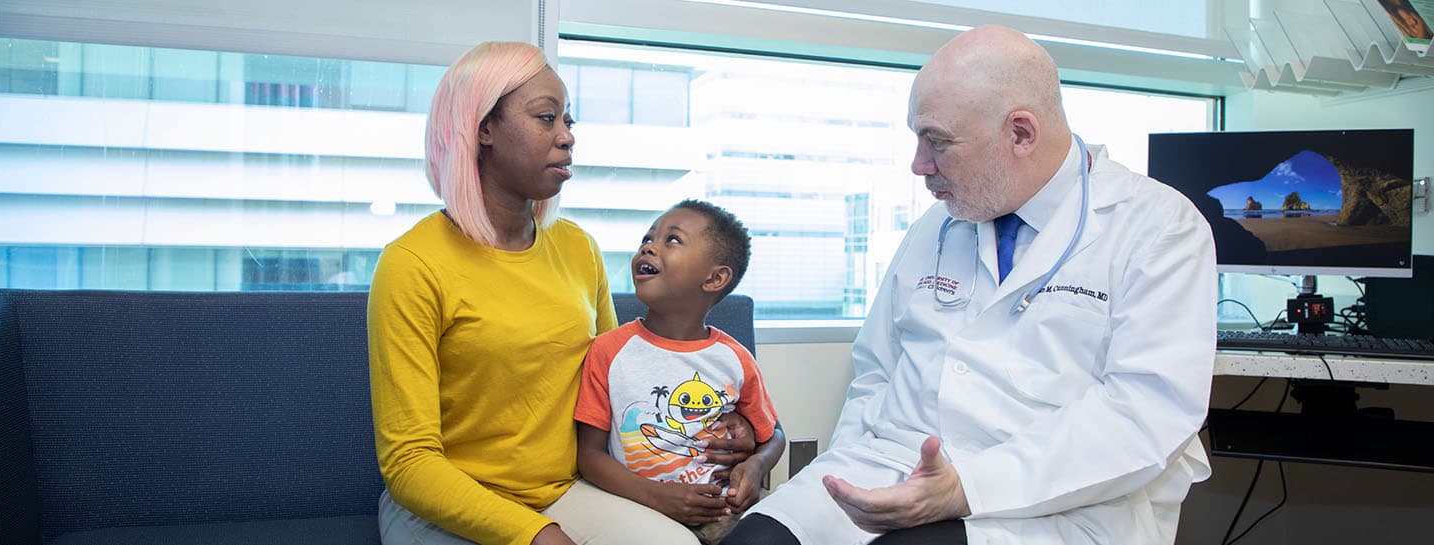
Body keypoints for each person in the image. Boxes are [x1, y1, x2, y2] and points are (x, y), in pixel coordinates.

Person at [723, 25, 1217, 545]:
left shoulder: (1158, 228)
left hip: (1058, 501)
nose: (919, 165)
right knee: (756, 540)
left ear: (1020, 134)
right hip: (891, 464)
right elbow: (877, 370)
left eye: (936, 141)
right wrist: (848, 479)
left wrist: (967, 489)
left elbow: (1143, 412)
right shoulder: (936, 227)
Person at [367, 42, 754, 545]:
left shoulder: (577, 248)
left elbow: (624, 387)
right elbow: (409, 462)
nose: (567, 138)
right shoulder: (413, 263)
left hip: (561, 491)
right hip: (444, 503)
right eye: (546, 118)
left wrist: (731, 431)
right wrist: (537, 535)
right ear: (483, 127)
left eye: (568, 122)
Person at [574, 200, 787, 545]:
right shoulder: (608, 351)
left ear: (715, 278)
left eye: (671, 240)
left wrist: (756, 466)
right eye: (647, 238)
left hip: (722, 509)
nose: (648, 246)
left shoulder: (735, 359)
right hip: (640, 506)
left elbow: (773, 435)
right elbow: (590, 456)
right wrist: (657, 496)